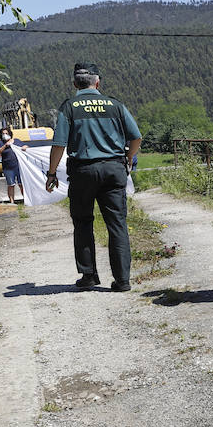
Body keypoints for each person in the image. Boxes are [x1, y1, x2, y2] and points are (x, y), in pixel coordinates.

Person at [45, 63, 142, 292]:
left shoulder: (69, 107)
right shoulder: (115, 104)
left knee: (83, 223)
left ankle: (88, 276)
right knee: (117, 224)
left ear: (75, 84)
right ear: (97, 83)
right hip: (113, 169)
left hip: (83, 172)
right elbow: (136, 137)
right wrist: (128, 159)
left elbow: (59, 144)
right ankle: (122, 280)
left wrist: (51, 173)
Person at [0, 126, 25, 204]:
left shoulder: (16, 141)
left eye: (6, 133)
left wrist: (24, 147)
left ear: (10, 134)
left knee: (21, 184)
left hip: (19, 166)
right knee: (11, 184)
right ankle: (12, 201)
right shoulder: (0, 143)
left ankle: (25, 199)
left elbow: (25, 146)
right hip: (8, 168)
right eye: (3, 134)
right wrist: (5, 146)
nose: (5, 135)